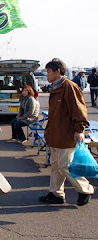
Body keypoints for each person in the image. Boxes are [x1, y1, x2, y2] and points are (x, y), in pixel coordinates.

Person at [40, 58, 94, 206]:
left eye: (49, 71)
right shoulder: (55, 88)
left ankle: (85, 189)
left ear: (58, 71)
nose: (47, 75)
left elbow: (79, 109)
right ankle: (56, 193)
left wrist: (79, 129)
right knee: (56, 165)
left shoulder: (69, 87)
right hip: (55, 134)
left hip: (66, 134)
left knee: (65, 165)